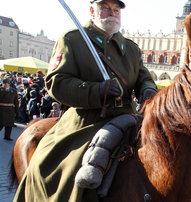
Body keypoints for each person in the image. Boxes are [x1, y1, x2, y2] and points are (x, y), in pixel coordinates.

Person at [14, 0, 157, 201]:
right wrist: (97, 90)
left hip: (127, 117)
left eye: (116, 9)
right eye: (105, 8)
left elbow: (144, 77)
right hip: (87, 119)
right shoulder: (73, 40)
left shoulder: (131, 48)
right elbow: (57, 82)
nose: (112, 13)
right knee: (56, 170)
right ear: (92, 10)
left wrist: (148, 89)